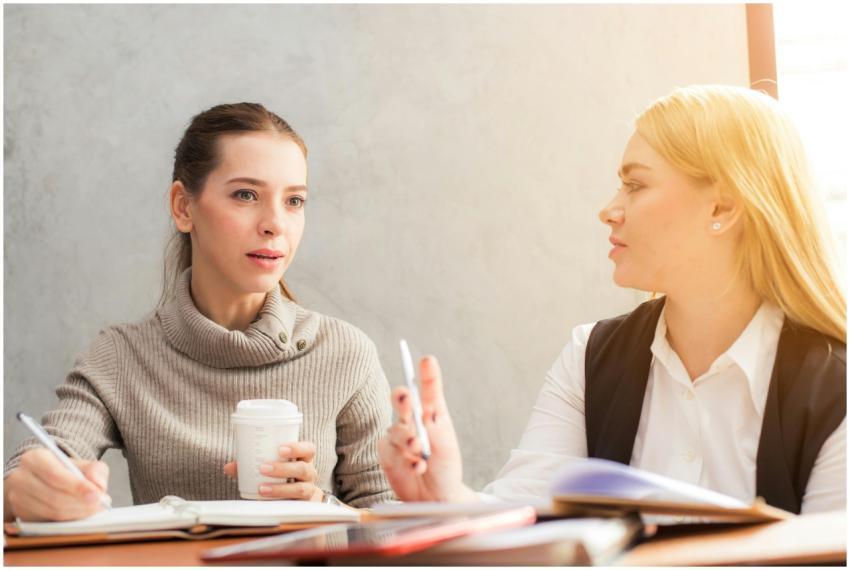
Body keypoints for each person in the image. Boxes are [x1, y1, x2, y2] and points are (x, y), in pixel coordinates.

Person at [378, 85, 846, 515]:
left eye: (635, 185)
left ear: (722, 208)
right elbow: (524, 523)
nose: (609, 210)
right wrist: (448, 496)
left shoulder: (833, 385)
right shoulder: (589, 357)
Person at [4, 103, 394, 522]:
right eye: (246, 195)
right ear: (183, 207)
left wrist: (322, 509)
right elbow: (41, 462)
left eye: (294, 200)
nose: (275, 224)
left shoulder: (346, 354)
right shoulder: (120, 357)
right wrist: (22, 491)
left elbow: (395, 521)